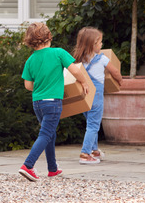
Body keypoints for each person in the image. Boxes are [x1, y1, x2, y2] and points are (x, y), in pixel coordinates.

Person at [19, 22, 89, 181]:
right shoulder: (58, 53)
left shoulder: (30, 60)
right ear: (48, 37)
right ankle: (28, 166)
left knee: (49, 133)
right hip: (52, 102)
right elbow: (75, 70)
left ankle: (52, 169)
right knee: (45, 134)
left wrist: (42, 86)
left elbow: (28, 85)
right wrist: (84, 82)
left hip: (37, 103)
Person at [73, 27, 123, 165]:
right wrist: (120, 81)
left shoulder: (78, 59)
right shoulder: (102, 59)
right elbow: (115, 72)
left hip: (84, 96)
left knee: (91, 123)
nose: (102, 45)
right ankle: (85, 153)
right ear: (93, 44)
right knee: (94, 125)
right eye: (100, 42)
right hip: (96, 95)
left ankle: (94, 150)